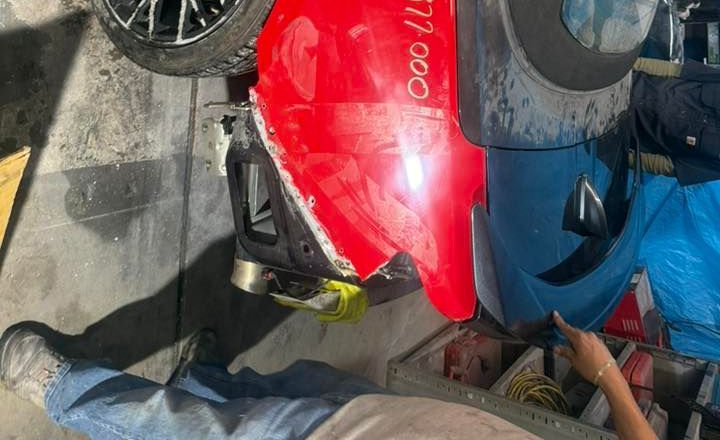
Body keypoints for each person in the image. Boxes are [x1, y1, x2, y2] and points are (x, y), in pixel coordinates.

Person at [0, 312, 656, 439]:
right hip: (405, 419)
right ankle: (204, 374)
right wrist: (607, 375)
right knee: (300, 379)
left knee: (193, 432)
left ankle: (57, 387)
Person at [632, 56, 720, 184]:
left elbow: (668, 165)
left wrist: (618, 155)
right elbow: (675, 70)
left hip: (619, 130)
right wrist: (629, 66)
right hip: (629, 81)